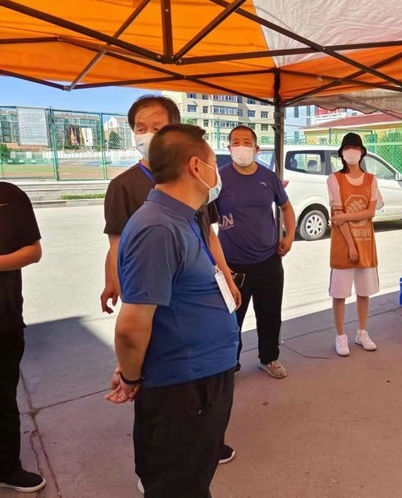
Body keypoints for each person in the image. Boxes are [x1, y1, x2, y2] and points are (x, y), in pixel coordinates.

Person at [101, 96, 238, 475]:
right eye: (213, 163)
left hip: (202, 372)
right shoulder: (158, 226)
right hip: (184, 380)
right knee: (180, 481)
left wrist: (225, 276)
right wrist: (130, 373)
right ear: (196, 167)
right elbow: (132, 324)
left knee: (190, 472)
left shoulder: (182, 211)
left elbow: (207, 243)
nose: (217, 172)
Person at [215, 126, 295, 379]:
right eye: (236, 142)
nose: (241, 147)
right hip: (232, 264)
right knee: (231, 319)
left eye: (246, 142)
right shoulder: (219, 178)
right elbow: (204, 219)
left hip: (268, 259)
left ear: (257, 148)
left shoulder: (269, 177)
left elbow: (286, 207)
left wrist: (290, 236)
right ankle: (230, 364)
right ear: (229, 148)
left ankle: (268, 358)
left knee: (270, 314)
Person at [0, 182, 46, 493]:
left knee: (3, 400)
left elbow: (33, 251)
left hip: (3, 321)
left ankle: (7, 467)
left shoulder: (10, 196)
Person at [327, 133, 383, 356]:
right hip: (344, 243)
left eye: (355, 147)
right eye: (347, 148)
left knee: (364, 292)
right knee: (339, 293)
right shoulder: (334, 179)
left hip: (366, 242)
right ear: (341, 153)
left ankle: (362, 332)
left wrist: (346, 217)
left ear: (362, 152)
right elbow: (336, 215)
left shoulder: (371, 180)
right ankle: (341, 336)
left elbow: (370, 212)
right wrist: (351, 245)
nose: (351, 152)